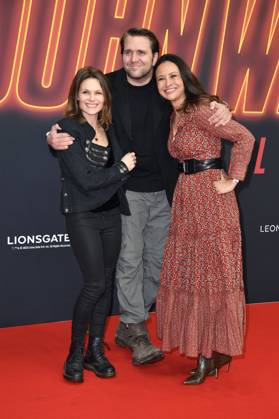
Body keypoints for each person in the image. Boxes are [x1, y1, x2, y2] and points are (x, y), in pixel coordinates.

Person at [47, 28, 231, 366]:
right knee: (129, 262)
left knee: (160, 265)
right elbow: (78, 115)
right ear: (122, 55)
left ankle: (130, 323)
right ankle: (134, 326)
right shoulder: (108, 86)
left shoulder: (167, 86)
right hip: (124, 190)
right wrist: (52, 134)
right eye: (128, 52)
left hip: (166, 189)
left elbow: (202, 104)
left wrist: (222, 106)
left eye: (141, 53)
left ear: (155, 56)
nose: (134, 59)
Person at [154, 54, 255, 384]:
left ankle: (208, 355)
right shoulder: (176, 115)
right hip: (186, 199)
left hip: (211, 200)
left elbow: (244, 137)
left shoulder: (201, 109)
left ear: (184, 78)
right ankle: (209, 351)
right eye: (161, 79)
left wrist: (234, 179)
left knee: (211, 275)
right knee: (191, 274)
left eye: (173, 76)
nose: (167, 83)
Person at [54, 66, 136, 383]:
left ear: (105, 97)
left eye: (98, 92)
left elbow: (127, 158)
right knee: (94, 285)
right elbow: (87, 181)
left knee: (106, 280)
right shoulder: (66, 128)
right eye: (86, 91)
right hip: (83, 214)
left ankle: (95, 351)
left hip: (111, 214)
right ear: (77, 95)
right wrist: (121, 169)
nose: (92, 98)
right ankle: (75, 353)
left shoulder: (108, 128)